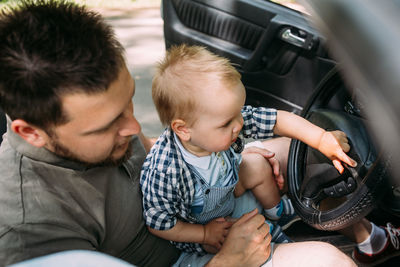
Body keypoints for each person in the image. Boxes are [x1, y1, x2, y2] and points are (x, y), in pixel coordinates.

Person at [0, 1, 357, 267]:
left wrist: (238, 156)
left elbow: (157, 152)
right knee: (328, 261)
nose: (134, 127)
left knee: (304, 151)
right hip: (189, 257)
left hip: (202, 207)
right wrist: (228, 262)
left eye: (127, 104)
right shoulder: (31, 231)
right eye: (107, 126)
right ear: (31, 132)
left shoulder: (111, 136)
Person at [140, 44, 356, 259]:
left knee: (256, 165)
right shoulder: (165, 172)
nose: (239, 124)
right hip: (206, 229)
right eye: (226, 124)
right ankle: (277, 239)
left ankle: (277, 212)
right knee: (251, 235)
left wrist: (320, 138)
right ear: (183, 129)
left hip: (228, 196)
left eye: (238, 113)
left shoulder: (223, 120)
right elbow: (160, 224)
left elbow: (277, 120)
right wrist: (204, 234)